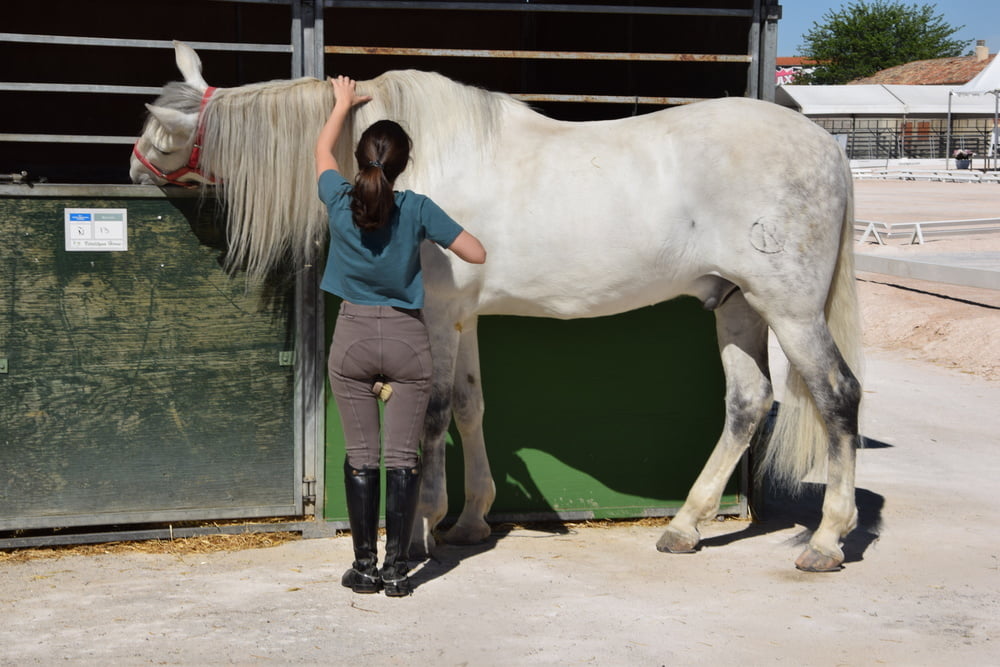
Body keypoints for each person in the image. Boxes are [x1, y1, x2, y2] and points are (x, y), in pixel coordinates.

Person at [315, 75, 486, 597]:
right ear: (403, 165)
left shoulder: (339, 197)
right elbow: (475, 252)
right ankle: (397, 570)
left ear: (363, 161)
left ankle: (362, 568)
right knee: (404, 459)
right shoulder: (416, 207)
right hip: (410, 342)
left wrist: (342, 104)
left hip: (354, 339)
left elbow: (322, 149)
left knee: (362, 457)